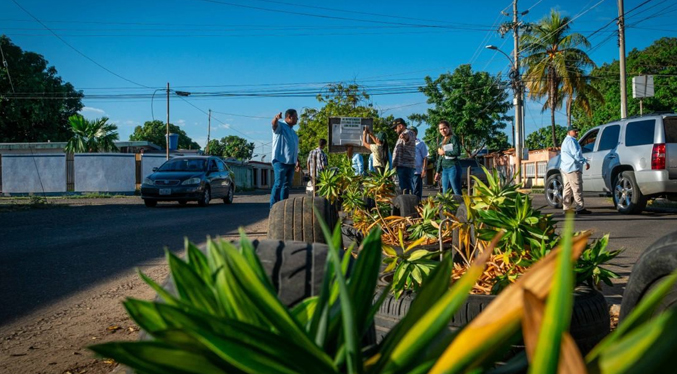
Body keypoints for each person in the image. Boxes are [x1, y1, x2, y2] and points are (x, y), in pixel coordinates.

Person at [270, 109, 300, 208]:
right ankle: (273, 208)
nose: (297, 119)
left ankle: (283, 208)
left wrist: (297, 161)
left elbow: (293, 148)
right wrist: (276, 118)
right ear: (289, 117)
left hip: (291, 163)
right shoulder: (280, 126)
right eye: (296, 117)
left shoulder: (293, 133)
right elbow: (274, 125)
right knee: (278, 184)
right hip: (280, 161)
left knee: (286, 186)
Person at [560, 125, 592, 214]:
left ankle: (566, 208)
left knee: (567, 188)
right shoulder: (571, 141)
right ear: (569, 132)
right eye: (575, 131)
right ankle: (580, 208)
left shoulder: (566, 141)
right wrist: (585, 162)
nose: (577, 132)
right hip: (572, 168)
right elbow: (576, 155)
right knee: (577, 188)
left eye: (577, 131)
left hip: (565, 168)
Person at [434, 120, 462, 195]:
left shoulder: (453, 138)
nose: (443, 130)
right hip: (444, 169)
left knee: (456, 190)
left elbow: (457, 152)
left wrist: (444, 152)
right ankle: (446, 206)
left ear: (449, 128)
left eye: (444, 128)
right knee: (445, 192)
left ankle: (461, 206)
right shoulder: (441, 141)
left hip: (453, 167)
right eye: (440, 129)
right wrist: (437, 172)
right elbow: (440, 158)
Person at [391, 118, 416, 194]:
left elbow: (407, 137)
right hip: (401, 166)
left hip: (405, 166)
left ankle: (409, 205)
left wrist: (404, 136)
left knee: (406, 190)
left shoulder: (409, 132)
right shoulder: (401, 136)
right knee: (403, 189)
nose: (395, 130)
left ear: (401, 126)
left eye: (396, 128)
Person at [410, 127, 429, 201]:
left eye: (412, 132)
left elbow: (425, 157)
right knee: (408, 191)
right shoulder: (405, 143)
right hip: (408, 171)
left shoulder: (421, 144)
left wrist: (424, 169)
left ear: (416, 133)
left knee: (416, 191)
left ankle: (417, 207)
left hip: (417, 171)